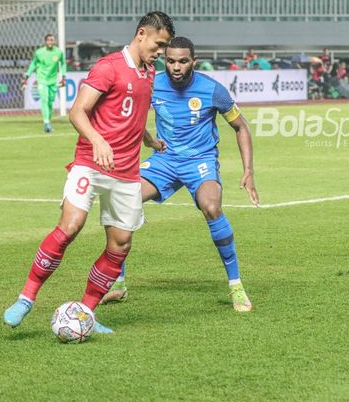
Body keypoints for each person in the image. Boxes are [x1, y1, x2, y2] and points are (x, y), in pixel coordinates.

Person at [3, 12, 175, 333]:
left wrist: (152, 140)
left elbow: (132, 118)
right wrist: (98, 140)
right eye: (159, 44)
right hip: (90, 161)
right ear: (141, 34)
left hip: (125, 171)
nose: (161, 51)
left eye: (164, 47)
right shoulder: (108, 67)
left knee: (121, 244)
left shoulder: (150, 72)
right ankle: (26, 297)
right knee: (71, 226)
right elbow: (78, 111)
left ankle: (86, 313)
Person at [100, 36, 259, 312]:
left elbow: (241, 127)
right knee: (121, 200)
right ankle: (117, 282)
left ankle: (236, 285)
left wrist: (248, 170)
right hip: (165, 160)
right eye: (170, 60)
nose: (176, 67)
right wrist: (148, 141)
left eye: (183, 61)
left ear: (193, 62)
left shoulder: (213, 90)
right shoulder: (152, 84)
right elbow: (132, 119)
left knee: (211, 207)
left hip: (200, 161)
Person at [22, 33, 67, 133]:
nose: (50, 42)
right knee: (44, 99)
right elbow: (33, 64)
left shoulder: (58, 52)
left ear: (54, 41)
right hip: (41, 79)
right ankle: (46, 122)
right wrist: (27, 76)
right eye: (49, 40)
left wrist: (63, 76)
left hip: (52, 80)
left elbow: (63, 64)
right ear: (45, 41)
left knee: (50, 102)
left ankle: (48, 122)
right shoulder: (39, 52)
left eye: (52, 40)